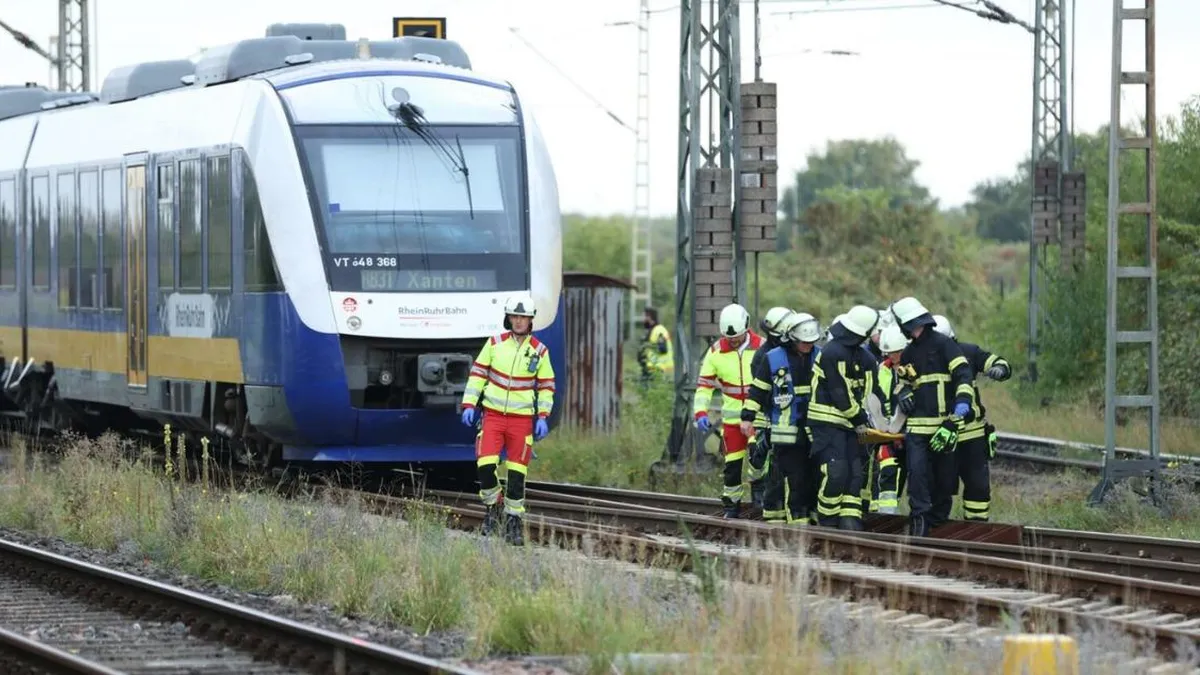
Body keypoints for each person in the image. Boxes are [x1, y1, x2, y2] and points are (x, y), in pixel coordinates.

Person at [460, 294, 556, 546]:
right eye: (515, 316)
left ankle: (513, 522)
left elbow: (546, 386)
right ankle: (494, 508)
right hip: (492, 417)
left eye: (523, 317)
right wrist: (469, 404)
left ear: (531, 320)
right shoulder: (494, 343)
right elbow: (478, 375)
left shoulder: (540, 351)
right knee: (485, 466)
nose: (519, 321)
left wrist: (543, 416)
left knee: (516, 474)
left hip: (521, 421)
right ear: (508, 318)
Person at [888, 297, 975, 537]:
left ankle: (939, 524)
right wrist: (902, 392)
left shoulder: (945, 345)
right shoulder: (907, 354)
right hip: (917, 429)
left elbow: (963, 376)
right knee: (917, 477)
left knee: (944, 478)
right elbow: (901, 383)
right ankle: (919, 524)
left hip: (943, 427)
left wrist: (959, 411)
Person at [930, 314, 1012, 523]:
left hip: (972, 434)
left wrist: (1000, 369)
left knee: (978, 485)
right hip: (942, 434)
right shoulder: (924, 358)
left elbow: (998, 361)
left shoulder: (969, 352)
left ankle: (977, 527)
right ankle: (937, 529)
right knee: (940, 486)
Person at [742, 312, 821, 523]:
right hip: (786, 431)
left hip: (815, 430)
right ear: (792, 338)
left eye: (811, 342)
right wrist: (747, 417)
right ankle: (795, 523)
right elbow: (758, 390)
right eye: (804, 342)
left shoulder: (820, 356)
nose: (807, 345)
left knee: (812, 476)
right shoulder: (773, 358)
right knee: (791, 478)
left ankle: (805, 519)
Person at [806, 305, 879, 531]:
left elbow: (871, 391)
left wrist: (874, 421)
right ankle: (827, 522)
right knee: (836, 471)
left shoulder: (866, 358)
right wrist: (860, 420)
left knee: (855, 473)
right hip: (827, 423)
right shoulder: (831, 352)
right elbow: (840, 392)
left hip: (852, 426)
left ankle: (849, 519)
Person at [694, 303, 764, 518]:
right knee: (732, 466)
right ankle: (731, 506)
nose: (733, 341)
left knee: (758, 460)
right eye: (729, 338)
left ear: (747, 328)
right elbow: (704, 386)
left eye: (738, 337)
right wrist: (700, 413)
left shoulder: (762, 347)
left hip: (758, 419)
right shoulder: (716, 352)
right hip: (732, 423)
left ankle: (760, 500)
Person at [744, 306, 796, 508]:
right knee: (762, 458)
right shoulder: (764, 357)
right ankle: (760, 496)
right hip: (768, 417)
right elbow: (762, 393)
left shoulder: (791, 352)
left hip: (786, 417)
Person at [866, 323, 910, 514]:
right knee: (888, 470)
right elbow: (874, 399)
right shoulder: (881, 370)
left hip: (913, 432)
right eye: (889, 353)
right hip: (888, 433)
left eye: (897, 352)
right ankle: (887, 515)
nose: (893, 356)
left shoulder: (915, 368)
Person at [637, 307, 673, 381]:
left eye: (644, 317)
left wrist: (648, 347)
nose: (643, 319)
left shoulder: (659, 330)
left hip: (656, 370)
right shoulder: (651, 330)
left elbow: (662, 349)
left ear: (649, 317)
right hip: (650, 369)